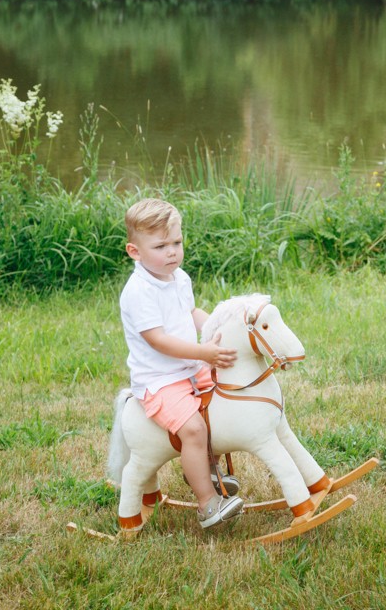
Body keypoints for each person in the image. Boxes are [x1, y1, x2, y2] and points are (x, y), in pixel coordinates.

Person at [119, 197, 243, 528]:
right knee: (193, 428)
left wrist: (219, 326)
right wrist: (204, 352)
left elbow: (190, 314)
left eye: (176, 242)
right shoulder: (138, 292)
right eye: (160, 246)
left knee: (221, 406)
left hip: (189, 367)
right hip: (159, 379)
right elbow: (158, 340)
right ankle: (206, 504)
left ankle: (207, 471)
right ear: (135, 251)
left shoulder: (179, 277)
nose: (172, 252)